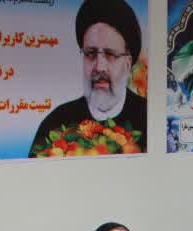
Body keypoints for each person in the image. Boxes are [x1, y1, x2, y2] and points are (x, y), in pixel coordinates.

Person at [29, 0, 146, 157]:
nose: (99, 67)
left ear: (127, 63)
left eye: (110, 54)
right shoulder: (57, 122)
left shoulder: (148, 116)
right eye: (91, 53)